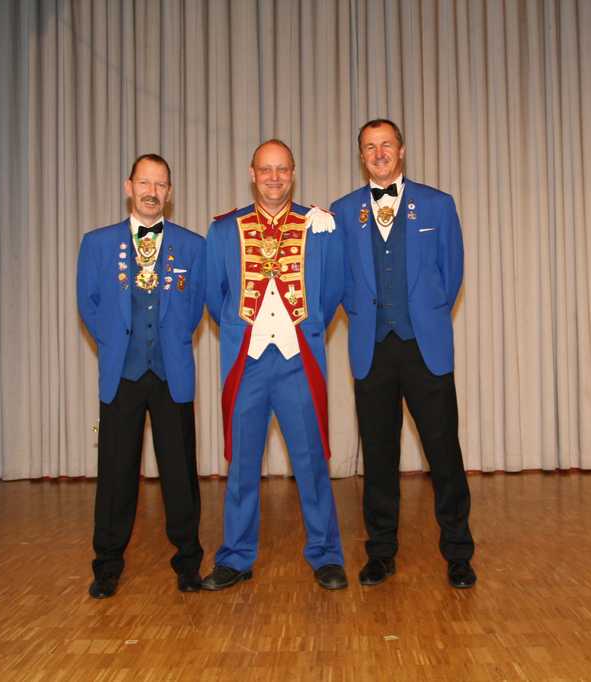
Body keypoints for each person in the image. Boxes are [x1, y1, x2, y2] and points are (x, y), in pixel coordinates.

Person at [330, 119, 476, 589]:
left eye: (386, 144)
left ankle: (458, 553)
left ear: (402, 150)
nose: (379, 153)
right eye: (370, 147)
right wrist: (361, 310)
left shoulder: (437, 204)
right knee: (378, 457)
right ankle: (380, 552)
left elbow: (451, 274)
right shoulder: (343, 211)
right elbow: (339, 279)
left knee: (443, 453)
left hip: (424, 348)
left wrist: (425, 314)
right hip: (371, 348)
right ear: (361, 156)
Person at [201, 139, 347, 591]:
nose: (274, 178)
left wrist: (303, 327)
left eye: (282, 169)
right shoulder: (225, 229)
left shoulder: (318, 226)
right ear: (252, 174)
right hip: (247, 362)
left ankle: (326, 554)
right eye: (266, 169)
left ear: (293, 173)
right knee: (241, 465)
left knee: (312, 462)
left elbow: (331, 292)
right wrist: (241, 328)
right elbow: (214, 295)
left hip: (297, 360)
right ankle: (235, 556)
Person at [76, 153, 206, 598]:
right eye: (145, 183)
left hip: (172, 373)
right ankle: (107, 565)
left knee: (180, 473)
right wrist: (116, 342)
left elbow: (195, 307)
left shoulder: (193, 246)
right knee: (116, 473)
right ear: (128, 186)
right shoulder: (96, 244)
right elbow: (89, 303)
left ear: (170, 192)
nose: (152, 192)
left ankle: (188, 561)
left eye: (161, 185)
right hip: (122, 374)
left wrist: (170, 340)